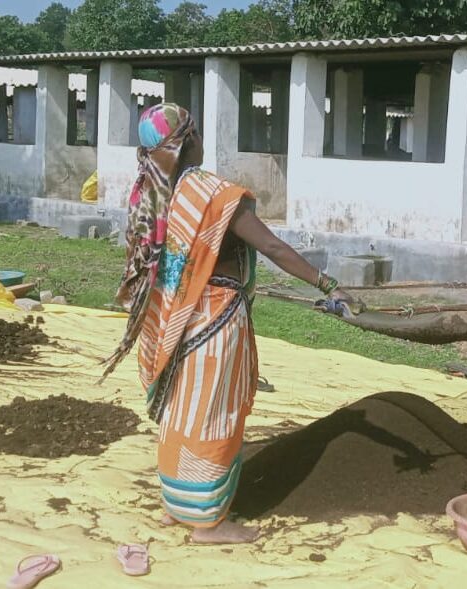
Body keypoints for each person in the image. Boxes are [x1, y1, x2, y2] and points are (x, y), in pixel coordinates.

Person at [101, 103, 350, 544]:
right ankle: (209, 523)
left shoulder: (153, 191)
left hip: (177, 320)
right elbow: (272, 247)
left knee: (183, 409)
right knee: (214, 413)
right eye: (195, 133)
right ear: (188, 141)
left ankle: (177, 507)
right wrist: (328, 284)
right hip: (214, 316)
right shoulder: (212, 195)